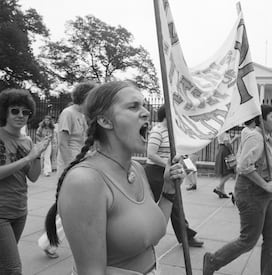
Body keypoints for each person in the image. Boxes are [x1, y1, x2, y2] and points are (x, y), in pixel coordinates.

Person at [44, 81, 186, 274]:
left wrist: (169, 190)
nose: (145, 112)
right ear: (105, 121)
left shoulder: (136, 168)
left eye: (144, 105)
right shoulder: (85, 182)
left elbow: (150, 235)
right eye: (133, 106)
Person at [203, 105, 272, 275]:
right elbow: (244, 166)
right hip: (252, 193)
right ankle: (213, 261)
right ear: (261, 119)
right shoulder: (255, 137)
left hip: (267, 193)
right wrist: (266, 184)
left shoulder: (267, 137)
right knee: (248, 240)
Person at [38, 82, 96, 258]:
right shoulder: (68, 113)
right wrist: (71, 168)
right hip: (71, 166)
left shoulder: (83, 115)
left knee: (76, 208)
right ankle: (48, 241)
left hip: (81, 165)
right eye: (92, 96)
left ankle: (50, 241)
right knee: (72, 209)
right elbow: (63, 142)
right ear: (85, 96)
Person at [0, 88, 50, 274]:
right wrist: (28, 158)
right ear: (5, 111)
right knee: (13, 269)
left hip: (20, 210)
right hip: (1, 213)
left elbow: (34, 176)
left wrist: (37, 154)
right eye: (15, 110)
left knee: (4, 265)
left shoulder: (27, 141)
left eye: (25, 112)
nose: (20, 115)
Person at [144, 104, 204, 248]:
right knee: (158, 204)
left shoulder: (172, 132)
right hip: (155, 172)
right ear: (167, 115)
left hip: (167, 171)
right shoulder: (158, 131)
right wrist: (167, 165)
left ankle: (185, 236)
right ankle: (183, 236)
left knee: (175, 204)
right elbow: (150, 154)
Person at [213, 130, 240, 198]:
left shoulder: (221, 131)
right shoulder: (224, 133)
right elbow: (227, 143)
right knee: (230, 172)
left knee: (224, 172)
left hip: (222, 151)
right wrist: (235, 138)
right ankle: (218, 187)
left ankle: (222, 191)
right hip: (225, 151)